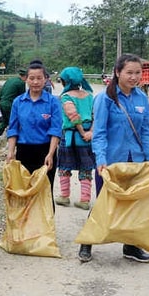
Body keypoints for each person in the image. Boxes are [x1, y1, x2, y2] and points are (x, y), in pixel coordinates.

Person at [77, 53, 149, 263]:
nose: (134, 77)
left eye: (138, 73)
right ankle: (87, 242)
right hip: (111, 161)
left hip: (137, 161)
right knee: (104, 204)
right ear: (118, 73)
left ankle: (131, 247)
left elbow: (145, 131)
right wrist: (101, 160)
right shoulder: (105, 98)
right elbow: (99, 133)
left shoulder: (142, 98)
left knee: (135, 204)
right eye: (129, 73)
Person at [6, 60, 62, 203]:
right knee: (24, 192)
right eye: (32, 78)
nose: (35, 82)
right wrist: (11, 152)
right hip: (24, 152)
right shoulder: (18, 102)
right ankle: (25, 224)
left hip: (45, 152)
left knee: (45, 193)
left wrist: (50, 154)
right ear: (26, 79)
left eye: (39, 78)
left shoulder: (53, 102)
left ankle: (46, 224)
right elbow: (13, 129)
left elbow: (55, 130)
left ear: (46, 79)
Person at [55, 66, 95, 210]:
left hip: (71, 137)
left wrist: (82, 132)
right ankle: (84, 200)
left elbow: (73, 116)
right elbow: (95, 115)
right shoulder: (90, 95)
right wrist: (90, 132)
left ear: (65, 81)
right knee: (86, 167)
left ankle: (64, 196)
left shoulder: (66, 97)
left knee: (65, 166)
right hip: (87, 139)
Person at [0, 68, 27, 145]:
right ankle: (13, 140)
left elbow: (1, 91)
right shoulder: (21, 83)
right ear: (25, 76)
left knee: (6, 121)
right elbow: (22, 97)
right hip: (9, 104)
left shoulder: (10, 80)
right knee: (14, 121)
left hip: (2, 103)